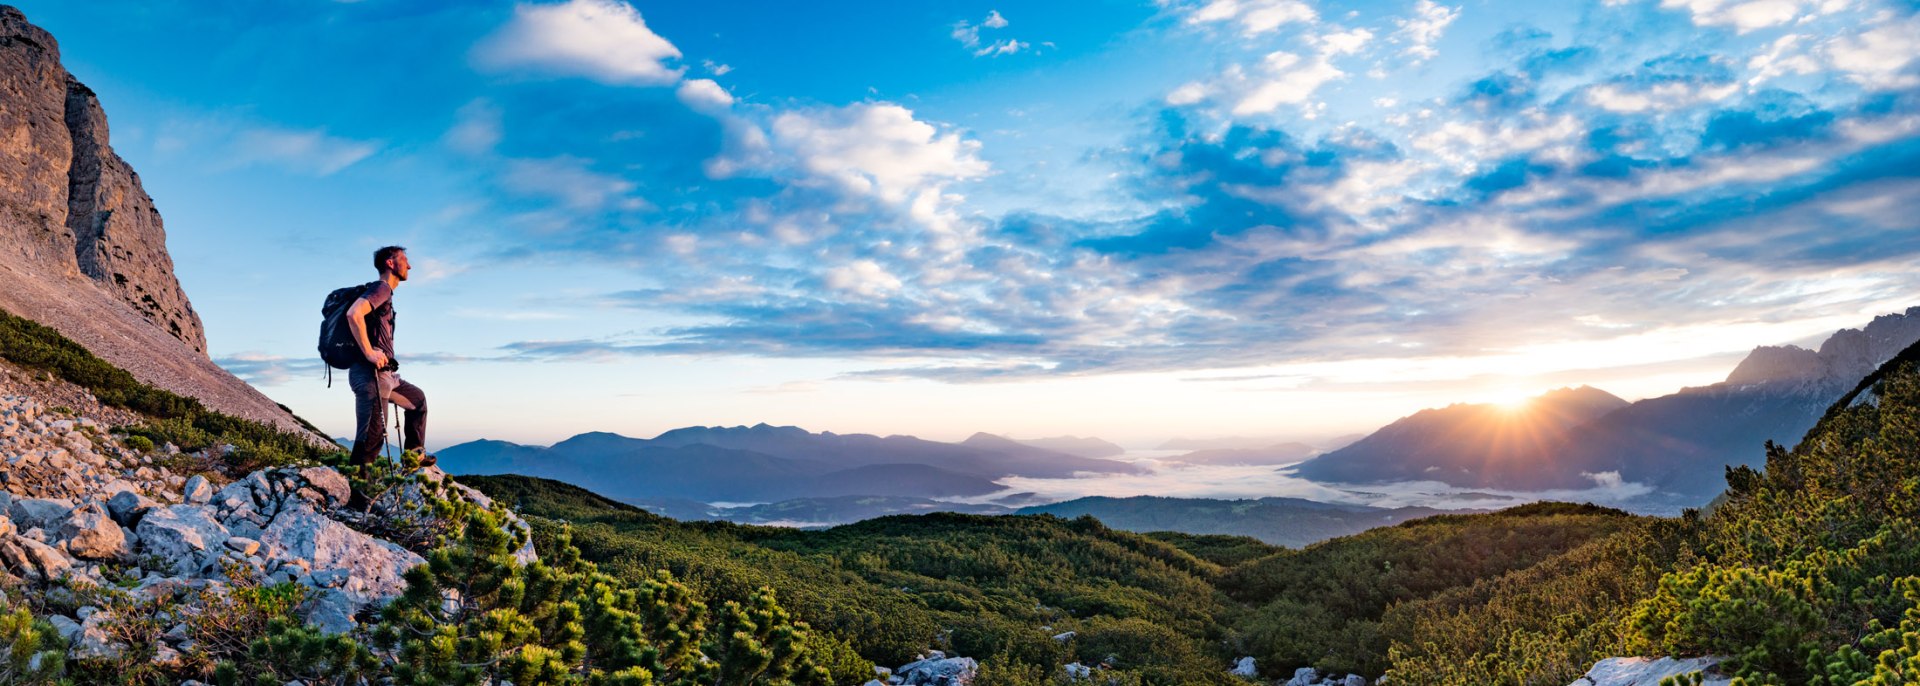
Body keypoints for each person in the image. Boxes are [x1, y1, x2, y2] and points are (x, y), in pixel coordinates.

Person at [346, 245, 435, 479]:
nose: (410, 265)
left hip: (387, 376)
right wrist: (368, 352)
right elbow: (353, 314)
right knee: (371, 435)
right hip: (370, 375)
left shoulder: (385, 293)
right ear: (390, 263)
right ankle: (357, 491)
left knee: (418, 401)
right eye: (404, 259)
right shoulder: (381, 288)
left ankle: (414, 457)